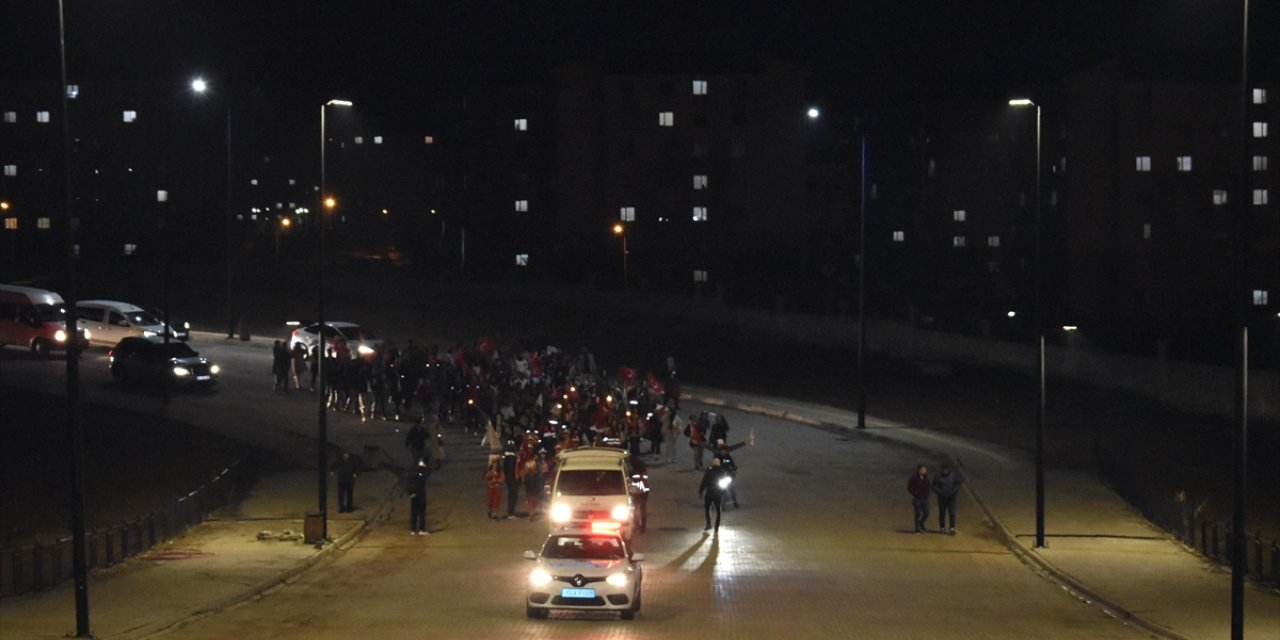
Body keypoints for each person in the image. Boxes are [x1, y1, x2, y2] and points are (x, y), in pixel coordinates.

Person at [698, 458, 730, 534]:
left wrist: (700, 491)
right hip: (718, 494)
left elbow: (704, 482)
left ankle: (708, 524)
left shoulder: (709, 472)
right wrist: (724, 492)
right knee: (718, 510)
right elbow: (725, 484)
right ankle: (717, 526)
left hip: (709, 493)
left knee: (707, 508)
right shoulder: (722, 472)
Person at [932, 464, 962, 534]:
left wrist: (953, 492)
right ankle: (942, 528)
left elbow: (957, 485)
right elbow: (934, 486)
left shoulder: (953, 476)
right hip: (942, 498)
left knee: (952, 513)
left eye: (946, 470)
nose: (945, 471)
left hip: (951, 498)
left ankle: (952, 528)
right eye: (944, 470)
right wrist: (940, 492)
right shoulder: (938, 476)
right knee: (942, 513)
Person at [407, 460, 431, 535]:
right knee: (421, 512)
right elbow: (427, 473)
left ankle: (413, 529)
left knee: (414, 512)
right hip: (420, 495)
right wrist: (424, 467)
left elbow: (408, 485)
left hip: (413, 495)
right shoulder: (421, 475)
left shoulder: (410, 475)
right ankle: (421, 529)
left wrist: (410, 493)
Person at [907, 464, 930, 533]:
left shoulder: (926, 478)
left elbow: (928, 486)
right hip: (917, 499)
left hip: (925, 499)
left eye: (925, 470)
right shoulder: (914, 478)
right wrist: (915, 493)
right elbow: (909, 487)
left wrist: (927, 494)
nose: (925, 471)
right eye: (923, 470)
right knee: (918, 513)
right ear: (919, 470)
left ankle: (921, 523)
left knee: (926, 512)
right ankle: (917, 528)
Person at [502, 442, 520, 519]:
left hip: (508, 479)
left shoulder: (506, 458)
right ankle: (511, 513)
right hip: (512, 479)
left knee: (511, 495)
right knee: (513, 495)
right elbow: (514, 470)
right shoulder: (513, 459)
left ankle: (510, 512)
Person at [484, 455, 505, 520]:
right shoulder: (489, 470)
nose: (495, 464)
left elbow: (503, 478)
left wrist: (497, 480)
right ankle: (490, 511)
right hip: (490, 487)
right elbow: (486, 477)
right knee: (490, 501)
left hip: (497, 487)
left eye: (496, 463)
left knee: (496, 500)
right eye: (493, 463)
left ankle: (495, 514)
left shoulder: (500, 470)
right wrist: (490, 480)